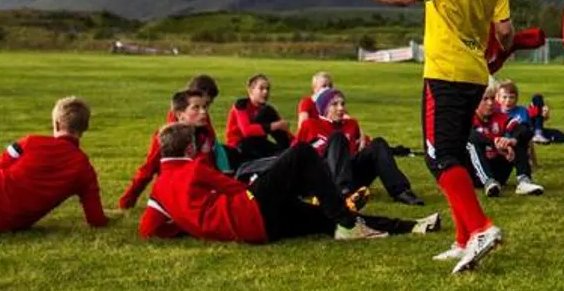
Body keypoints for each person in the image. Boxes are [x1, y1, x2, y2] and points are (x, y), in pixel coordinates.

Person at [321, 0, 512, 274]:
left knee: (440, 157)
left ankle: (482, 228)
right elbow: (504, 31)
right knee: (450, 154)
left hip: (444, 74)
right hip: (475, 75)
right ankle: (462, 239)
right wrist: (497, 51)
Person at [139, 123, 431, 243]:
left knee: (323, 220)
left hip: (258, 232)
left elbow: (148, 229)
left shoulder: (160, 189)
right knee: (301, 153)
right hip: (249, 212)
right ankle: (346, 217)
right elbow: (234, 189)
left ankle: (411, 226)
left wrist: (188, 225)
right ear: (189, 150)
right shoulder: (194, 170)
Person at [0, 97, 107, 235]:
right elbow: (96, 219)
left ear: (56, 124)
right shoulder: (85, 170)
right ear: (85, 128)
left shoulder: (30, 142)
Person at [293, 87, 425, 207]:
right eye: (334, 104)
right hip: (324, 178)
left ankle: (401, 191)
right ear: (323, 108)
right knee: (337, 138)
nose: (341, 108)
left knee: (378, 144)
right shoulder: (310, 125)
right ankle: (343, 193)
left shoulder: (351, 124)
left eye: (342, 104)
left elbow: (364, 149)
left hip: (350, 175)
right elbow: (294, 155)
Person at [121, 88, 217, 208]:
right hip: (174, 192)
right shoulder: (166, 137)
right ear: (180, 115)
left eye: (205, 107)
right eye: (196, 108)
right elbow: (148, 169)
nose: (203, 112)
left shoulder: (205, 133)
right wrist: (128, 200)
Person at [465, 85, 545, 197]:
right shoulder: (468, 118)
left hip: (499, 171)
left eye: (493, 98)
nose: (490, 103)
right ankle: (488, 181)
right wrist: (495, 143)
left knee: (518, 139)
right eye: (485, 99)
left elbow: (524, 130)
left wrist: (511, 140)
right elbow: (471, 136)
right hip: (474, 174)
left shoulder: (500, 116)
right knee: (470, 141)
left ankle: (524, 181)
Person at [226, 74, 292, 163]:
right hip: (240, 147)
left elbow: (283, 130)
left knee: (285, 154)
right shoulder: (241, 105)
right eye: (261, 88)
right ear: (251, 90)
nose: (265, 92)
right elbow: (246, 131)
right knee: (268, 113)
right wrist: (273, 126)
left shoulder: (267, 109)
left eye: (267, 89)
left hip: (258, 145)